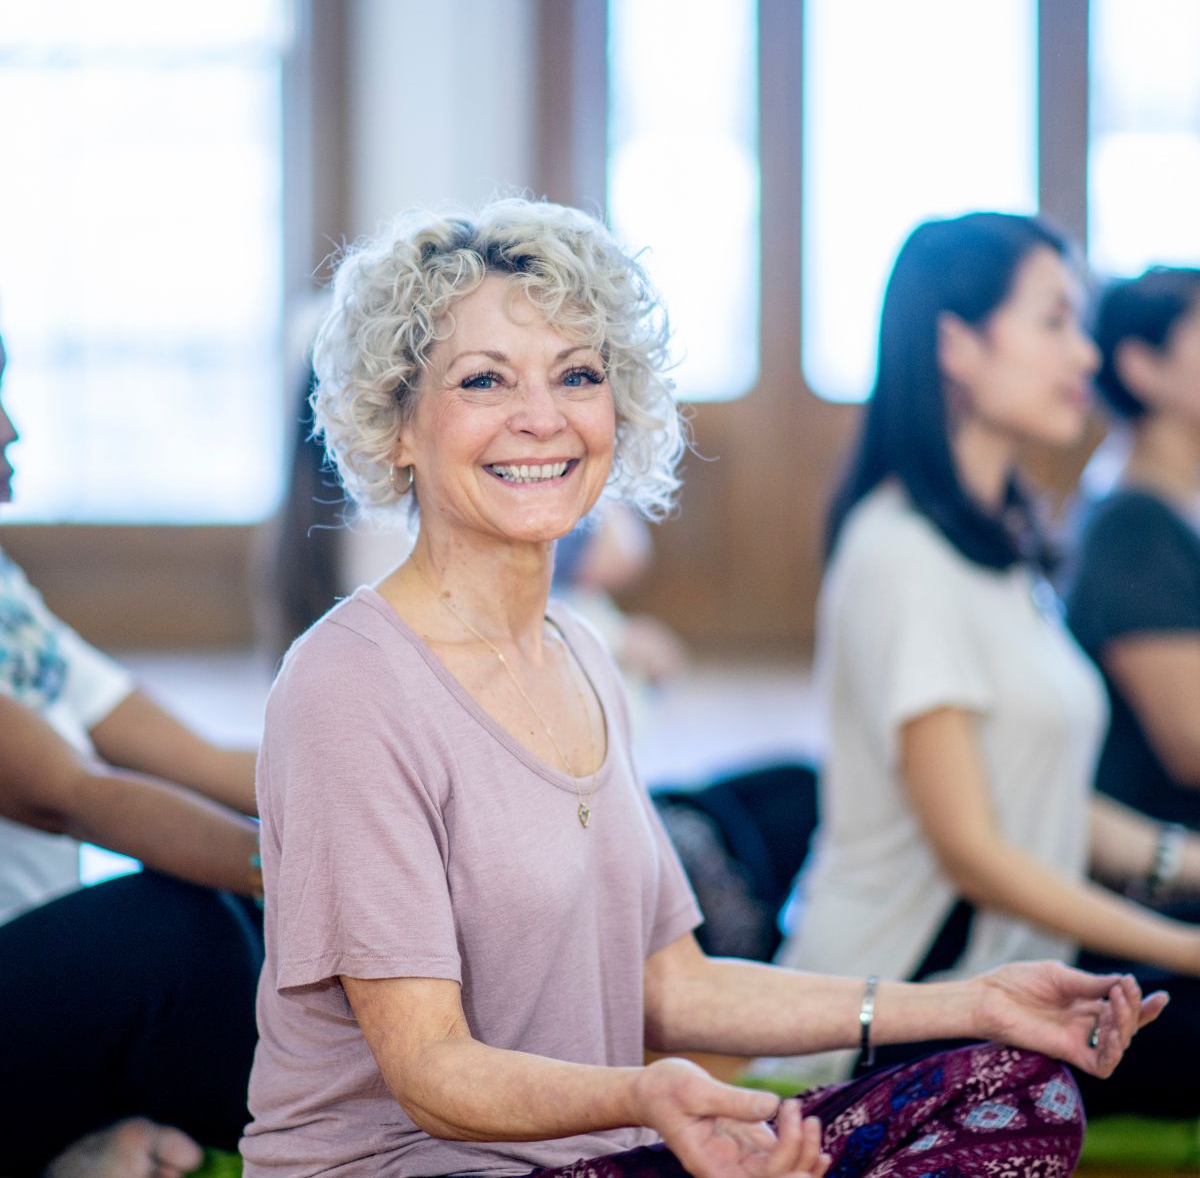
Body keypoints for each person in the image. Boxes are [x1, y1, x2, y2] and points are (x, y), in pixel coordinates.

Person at [241, 198, 1161, 1177]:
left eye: (578, 375)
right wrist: (643, 1095)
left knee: (1018, 1086)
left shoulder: (581, 653)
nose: (543, 418)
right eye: (484, 380)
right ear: (395, 425)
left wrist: (973, 1002)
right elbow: (429, 1069)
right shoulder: (348, 684)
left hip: (602, 1156)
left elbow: (673, 987)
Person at [771, 213, 1200, 1118]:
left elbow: (1033, 789)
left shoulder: (1001, 545)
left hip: (1017, 978)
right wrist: (1181, 946)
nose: (1085, 354)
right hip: (911, 1006)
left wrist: (1184, 864)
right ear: (957, 344)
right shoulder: (901, 551)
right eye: (1054, 321)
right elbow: (974, 853)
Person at [0, 332, 264, 1177]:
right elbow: (74, 796)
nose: (11, 430)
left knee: (250, 909)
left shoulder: (4, 590)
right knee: (178, 929)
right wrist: (312, 872)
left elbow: (206, 762)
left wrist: (412, 791)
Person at [1066, 268, 1200, 833]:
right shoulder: (1133, 525)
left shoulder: (1172, 501)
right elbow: (1192, 743)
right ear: (1142, 366)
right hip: (1165, 850)